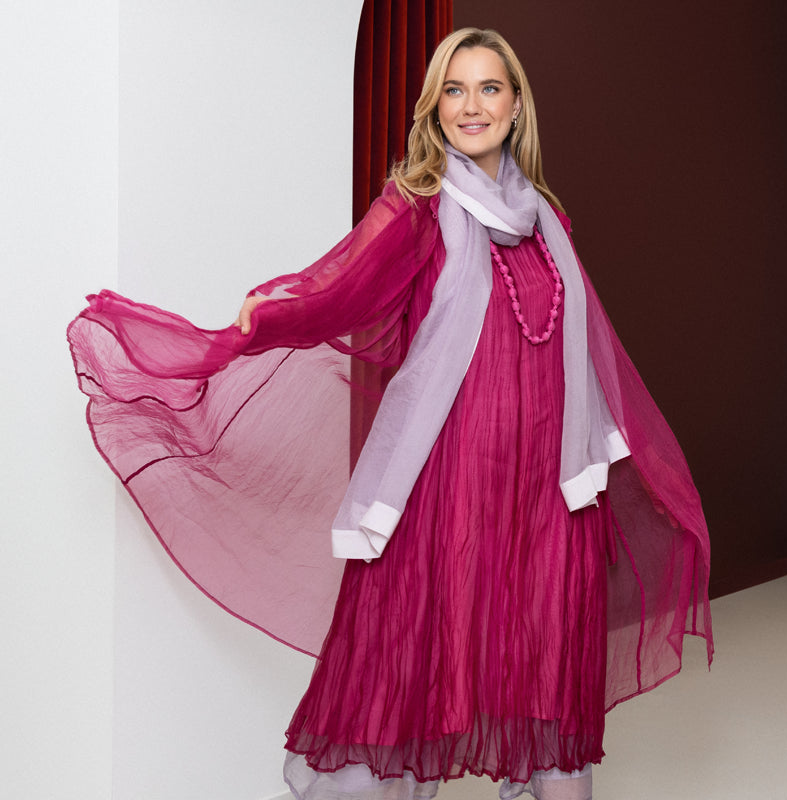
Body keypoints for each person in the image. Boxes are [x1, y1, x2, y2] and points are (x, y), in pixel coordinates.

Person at [68, 27, 712, 800]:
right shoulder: (415, 207)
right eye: (454, 90)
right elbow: (340, 288)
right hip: (448, 495)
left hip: (549, 496)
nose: (471, 106)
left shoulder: (546, 220)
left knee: (548, 673)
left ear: (516, 105)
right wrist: (266, 316)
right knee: (415, 676)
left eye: (489, 88)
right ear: (435, 108)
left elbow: (582, 350)